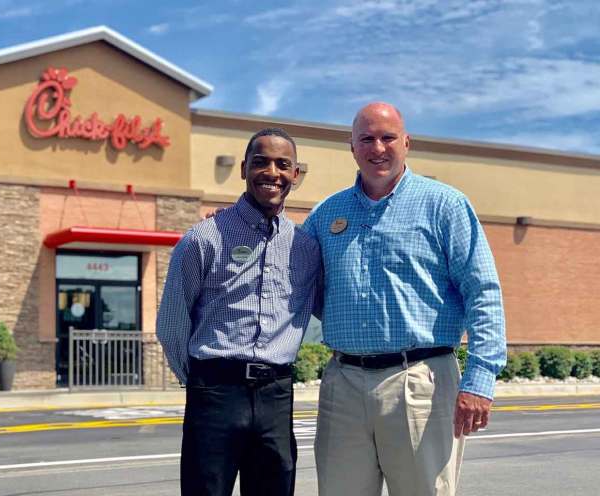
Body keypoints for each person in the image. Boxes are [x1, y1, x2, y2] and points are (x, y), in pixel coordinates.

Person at [304, 102, 506, 496]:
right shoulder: (326, 215)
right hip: (342, 383)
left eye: (387, 137)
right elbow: (289, 275)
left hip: (419, 380)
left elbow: (483, 292)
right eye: (366, 138)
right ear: (352, 147)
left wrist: (480, 380)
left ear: (407, 143)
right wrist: (232, 230)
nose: (377, 148)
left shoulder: (444, 205)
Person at [156, 127, 322, 496]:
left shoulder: (306, 248)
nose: (272, 172)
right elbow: (171, 325)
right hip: (215, 392)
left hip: (276, 395)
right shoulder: (203, 239)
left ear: (296, 175)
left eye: (283, 164)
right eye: (261, 162)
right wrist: (202, 379)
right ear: (244, 168)